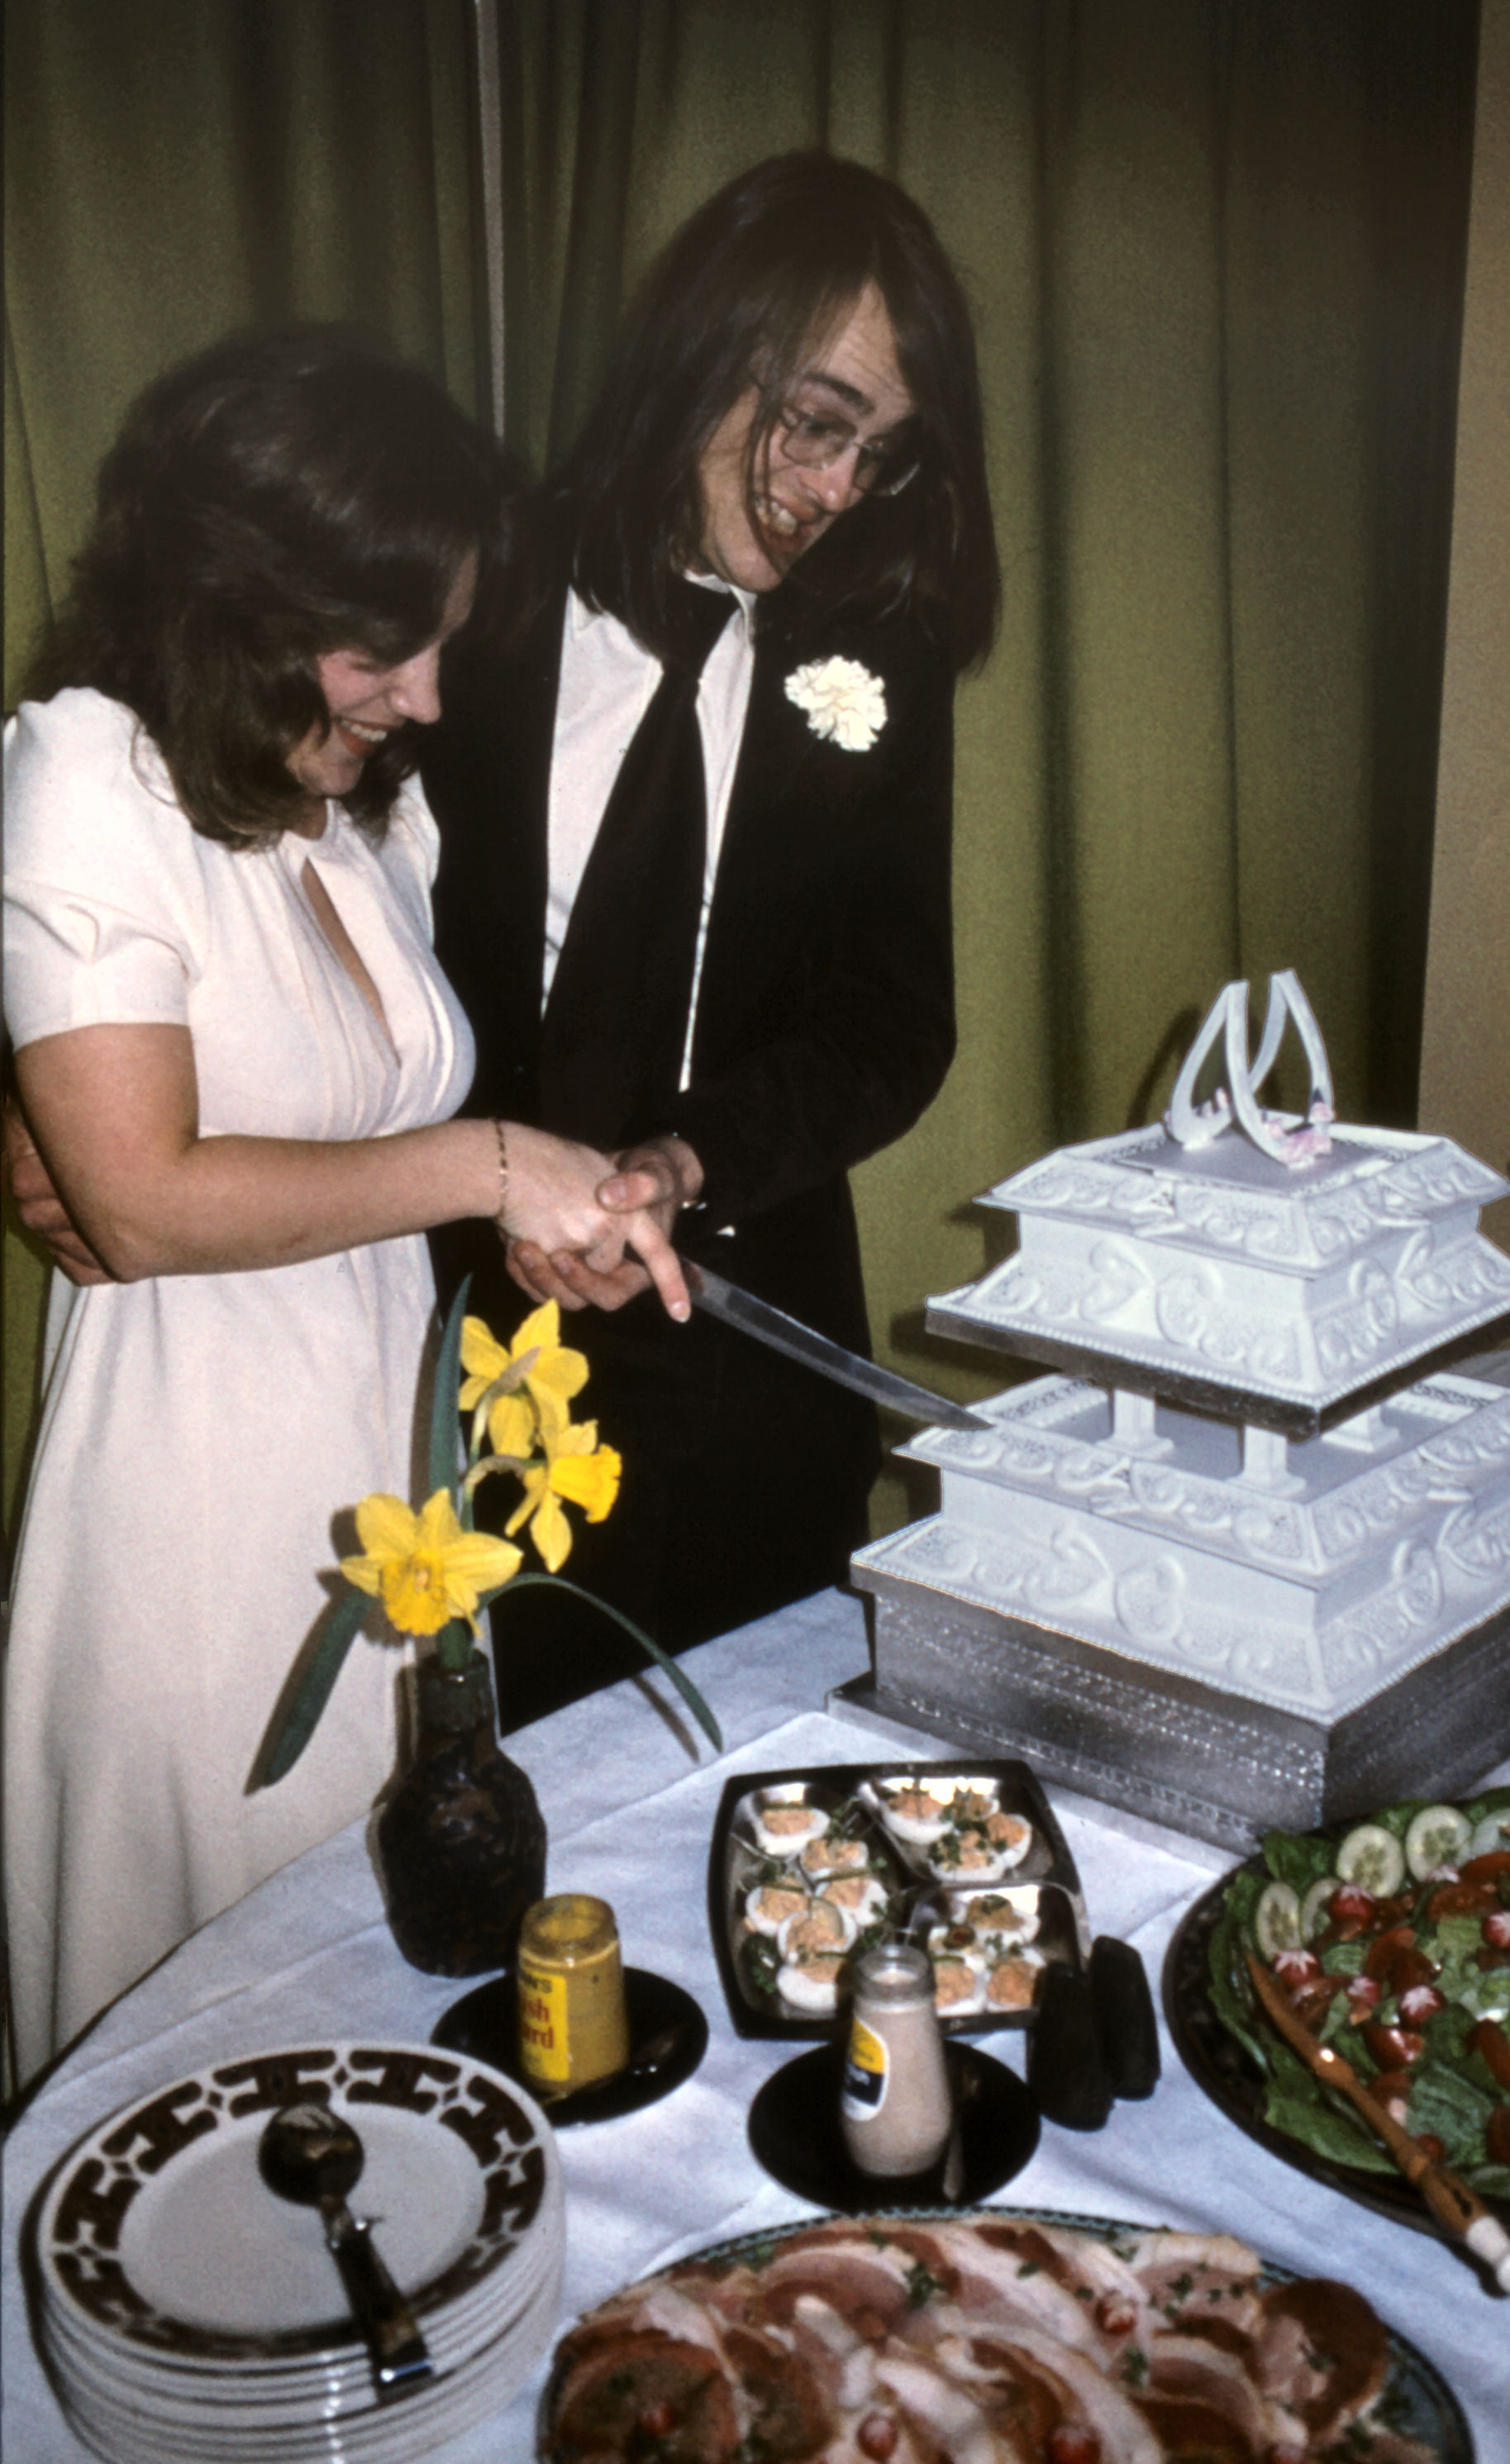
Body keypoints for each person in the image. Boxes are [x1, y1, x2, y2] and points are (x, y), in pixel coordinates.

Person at [0, 331, 689, 2084]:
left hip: (390, 1518)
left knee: (388, 2040)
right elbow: (143, 1203)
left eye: (443, 641)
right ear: (242, 598)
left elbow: (347, 1153)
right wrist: (482, 1161)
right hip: (200, 1523)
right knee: (213, 2063)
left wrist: (533, 1217)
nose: (433, 697)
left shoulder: (357, 812)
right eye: (392, 644)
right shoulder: (89, 769)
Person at [421, 153, 999, 1725]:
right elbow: (292, 881)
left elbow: (891, 1018)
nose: (833, 490)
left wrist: (685, 1160)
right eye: (817, 420)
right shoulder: (480, 586)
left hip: (754, 1368)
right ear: (707, 344)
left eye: (880, 454)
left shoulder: (882, 651)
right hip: (456, 1354)